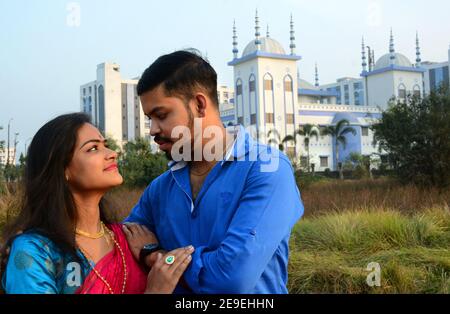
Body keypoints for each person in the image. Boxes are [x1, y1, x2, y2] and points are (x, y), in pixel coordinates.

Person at [125, 50, 305, 294]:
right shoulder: (160, 189)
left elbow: (232, 279)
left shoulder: (267, 169)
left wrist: (157, 257)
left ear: (199, 104)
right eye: (149, 119)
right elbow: (124, 248)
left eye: (161, 115)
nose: (153, 130)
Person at [0, 113, 193, 294]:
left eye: (105, 145)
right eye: (93, 148)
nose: (112, 153)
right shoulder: (35, 252)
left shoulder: (128, 238)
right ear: (62, 169)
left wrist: (153, 254)